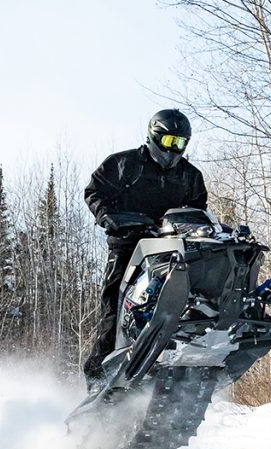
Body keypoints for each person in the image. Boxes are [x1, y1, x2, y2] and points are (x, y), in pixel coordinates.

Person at [82, 109, 208, 387]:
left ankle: (188, 357)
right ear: (154, 136)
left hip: (173, 248)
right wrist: (107, 216)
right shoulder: (124, 164)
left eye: (180, 143)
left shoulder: (190, 176)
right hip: (129, 245)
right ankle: (97, 376)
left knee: (196, 296)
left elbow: (198, 210)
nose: (174, 149)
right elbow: (94, 191)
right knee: (115, 306)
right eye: (169, 142)